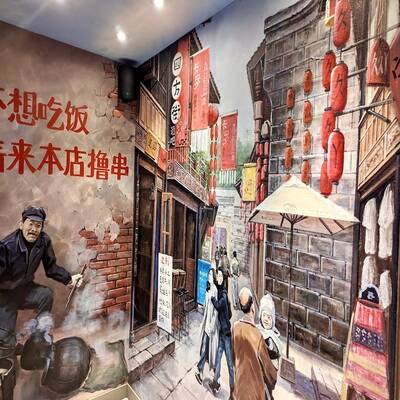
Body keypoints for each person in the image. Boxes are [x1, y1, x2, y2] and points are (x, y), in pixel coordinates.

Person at [0, 206, 83, 357]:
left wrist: (69, 279)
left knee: (46, 295)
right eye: (30, 224)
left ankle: (38, 340)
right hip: (5, 295)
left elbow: (51, 268)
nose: (33, 229)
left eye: (38, 225)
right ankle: (8, 347)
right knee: (4, 339)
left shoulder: (43, 241)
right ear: (21, 224)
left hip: (25, 289)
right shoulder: (6, 246)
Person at [232, 287, 277, 400]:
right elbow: (269, 372)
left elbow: (233, 358)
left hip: (239, 390)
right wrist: (273, 379)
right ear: (253, 307)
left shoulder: (235, 327)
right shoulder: (257, 335)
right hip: (255, 394)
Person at [209, 269, 235, 398]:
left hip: (226, 334)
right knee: (218, 359)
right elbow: (228, 314)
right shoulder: (220, 291)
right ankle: (215, 382)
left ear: (223, 278)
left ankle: (233, 390)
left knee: (230, 363)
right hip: (222, 332)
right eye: (217, 276)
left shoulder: (223, 294)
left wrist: (212, 298)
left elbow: (219, 306)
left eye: (220, 276)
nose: (218, 278)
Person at [195, 267, 219, 384]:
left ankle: (202, 371)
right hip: (206, 323)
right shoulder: (209, 289)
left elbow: (215, 311)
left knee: (207, 349)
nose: (209, 277)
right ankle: (203, 372)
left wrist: (211, 326)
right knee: (205, 348)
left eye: (211, 275)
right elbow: (206, 307)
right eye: (208, 275)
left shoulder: (215, 291)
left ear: (214, 277)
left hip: (210, 326)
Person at [257, 294, 282, 371]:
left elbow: (274, 354)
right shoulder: (258, 331)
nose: (266, 319)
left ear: (272, 319)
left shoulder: (271, 337)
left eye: (268, 317)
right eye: (264, 315)